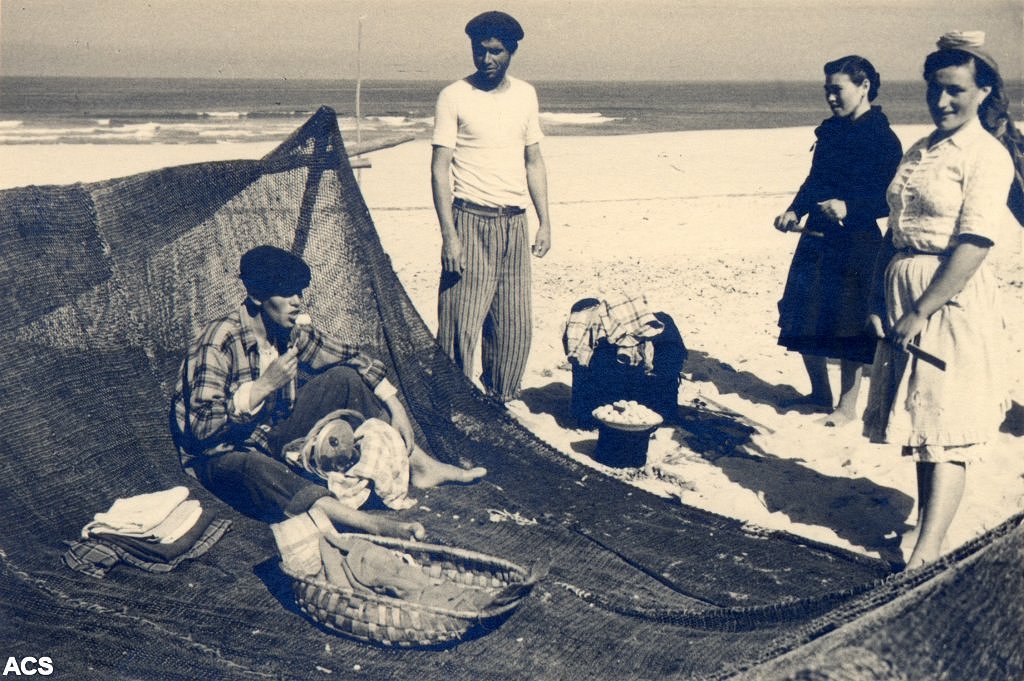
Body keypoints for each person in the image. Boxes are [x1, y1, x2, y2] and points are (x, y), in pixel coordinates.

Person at [171, 245, 485, 541]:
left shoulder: (288, 332)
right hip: (220, 456)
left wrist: (395, 405)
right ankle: (365, 522)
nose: (297, 301)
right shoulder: (219, 340)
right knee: (253, 466)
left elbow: (350, 357)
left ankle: (419, 465)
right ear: (256, 296)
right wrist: (263, 387)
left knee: (345, 378)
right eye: (286, 293)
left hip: (268, 439)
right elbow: (202, 429)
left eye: (299, 292)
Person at [862, 32, 1017, 570]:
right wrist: (877, 295)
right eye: (934, 89)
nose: (942, 101)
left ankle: (928, 551)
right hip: (903, 287)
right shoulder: (922, 149)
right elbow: (895, 229)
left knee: (948, 428)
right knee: (922, 418)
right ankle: (926, 529)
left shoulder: (986, 155)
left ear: (984, 91)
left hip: (950, 300)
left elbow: (974, 243)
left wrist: (920, 309)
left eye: (955, 90)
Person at [774, 56, 903, 426]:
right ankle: (819, 394)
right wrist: (794, 210)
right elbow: (815, 180)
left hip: (859, 240)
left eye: (837, 89)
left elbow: (891, 197)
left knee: (850, 323)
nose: (830, 97)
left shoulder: (882, 138)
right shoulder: (830, 132)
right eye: (826, 90)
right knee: (802, 312)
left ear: (864, 87)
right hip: (817, 235)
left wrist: (850, 206)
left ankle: (847, 407)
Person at [431, 10, 552, 403]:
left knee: (514, 328)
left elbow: (534, 160)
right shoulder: (453, 96)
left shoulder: (526, 95)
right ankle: (453, 403)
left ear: (511, 51)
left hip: (514, 224)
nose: (486, 59)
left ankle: (499, 401)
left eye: (496, 51)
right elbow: (439, 169)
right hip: (470, 220)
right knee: (460, 325)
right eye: (479, 50)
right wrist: (450, 236)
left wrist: (545, 222)